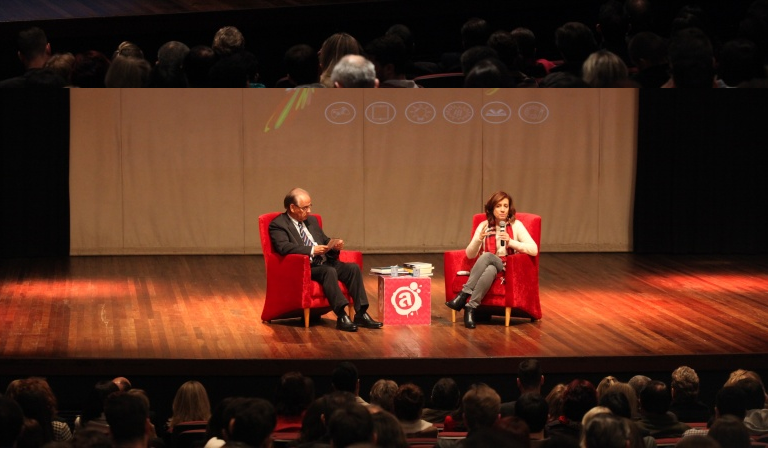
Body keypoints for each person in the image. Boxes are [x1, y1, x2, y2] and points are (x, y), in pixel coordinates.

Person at [268, 188, 382, 332]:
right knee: (328, 271)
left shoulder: (312, 220)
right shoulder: (278, 224)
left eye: (310, 206)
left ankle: (361, 313)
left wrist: (334, 245)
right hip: (305, 267)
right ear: (292, 207)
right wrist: (311, 250)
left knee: (352, 268)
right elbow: (284, 247)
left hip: (324, 260)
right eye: (305, 207)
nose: (309, 210)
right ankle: (341, 316)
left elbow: (323, 240)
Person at [445, 190, 538, 328]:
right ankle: (471, 308)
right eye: (498, 206)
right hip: (489, 266)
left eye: (505, 206)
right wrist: (478, 239)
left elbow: (534, 249)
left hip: (507, 266)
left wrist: (511, 242)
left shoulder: (515, 225)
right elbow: (470, 254)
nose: (502, 210)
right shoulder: (483, 226)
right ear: (492, 209)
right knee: (489, 269)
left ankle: (463, 294)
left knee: (487, 256)